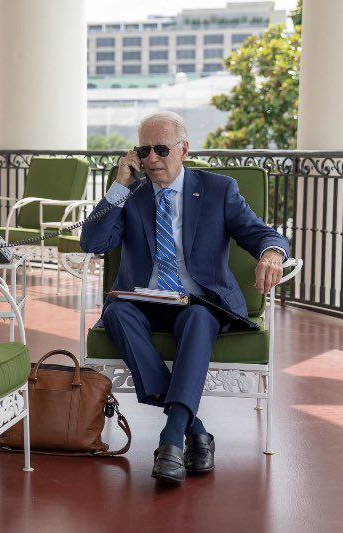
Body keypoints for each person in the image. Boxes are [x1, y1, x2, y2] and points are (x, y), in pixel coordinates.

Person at [79, 111, 288, 484]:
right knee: (117, 313)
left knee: (198, 317)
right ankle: (195, 432)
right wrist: (119, 185)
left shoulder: (218, 190)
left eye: (161, 149)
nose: (152, 159)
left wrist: (272, 253)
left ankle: (172, 437)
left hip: (198, 301)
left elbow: (260, 233)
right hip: (142, 300)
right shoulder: (131, 194)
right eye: (144, 151)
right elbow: (93, 242)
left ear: (184, 150)